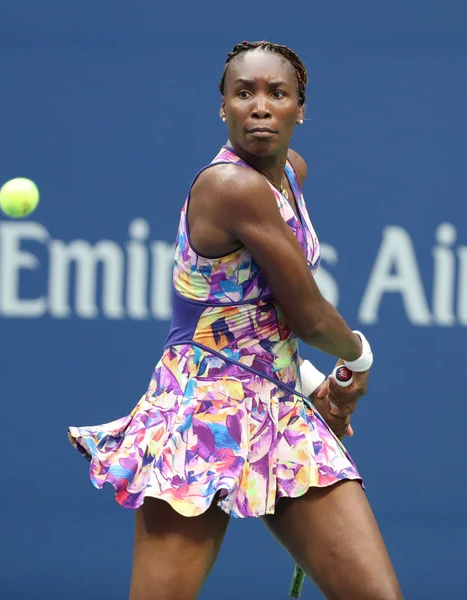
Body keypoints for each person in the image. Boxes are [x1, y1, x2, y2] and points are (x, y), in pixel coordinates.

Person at [68, 40, 403, 600]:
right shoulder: (231, 186)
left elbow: (263, 321)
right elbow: (309, 317)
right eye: (243, 93)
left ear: (301, 108)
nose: (260, 106)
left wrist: (314, 384)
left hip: (278, 407)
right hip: (198, 418)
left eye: (277, 93)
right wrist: (356, 358)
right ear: (223, 107)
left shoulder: (290, 172)